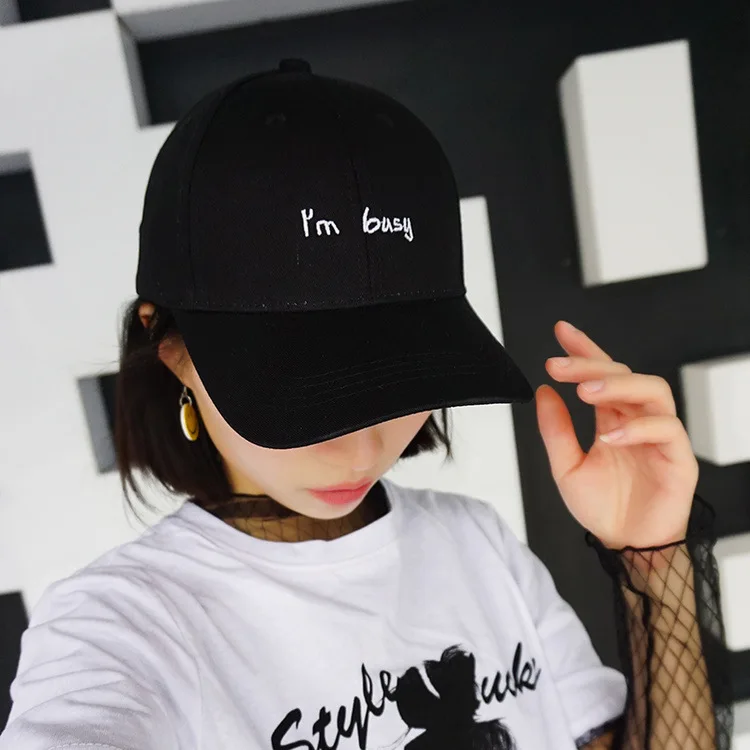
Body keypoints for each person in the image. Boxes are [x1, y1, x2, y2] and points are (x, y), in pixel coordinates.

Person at [0, 59, 732, 750]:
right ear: (172, 349)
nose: (360, 451)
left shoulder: (475, 542)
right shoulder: (116, 625)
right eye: (301, 393)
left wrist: (654, 562)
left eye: (399, 382)